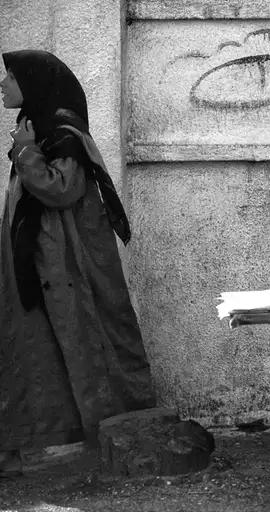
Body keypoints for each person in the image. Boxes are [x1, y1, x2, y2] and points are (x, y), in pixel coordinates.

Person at [0, 50, 155, 477]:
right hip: (41, 266)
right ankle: (28, 442)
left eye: (10, 77)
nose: (3, 84)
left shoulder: (62, 136)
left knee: (88, 339)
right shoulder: (32, 130)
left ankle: (115, 434)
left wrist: (28, 154)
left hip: (69, 268)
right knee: (33, 348)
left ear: (33, 84)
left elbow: (62, 189)